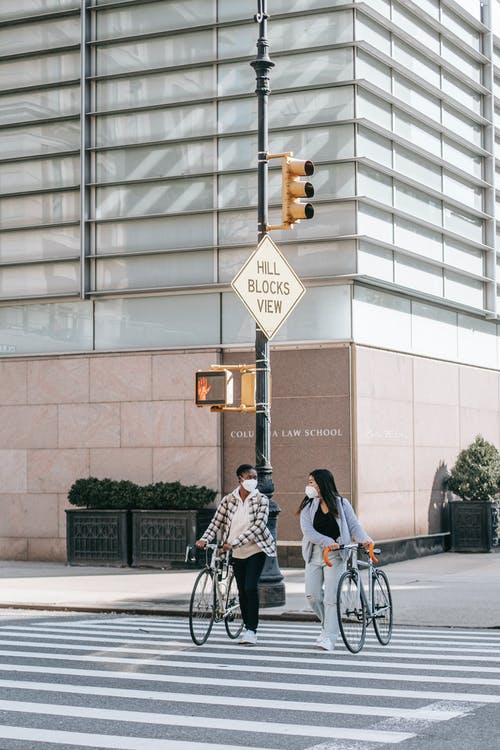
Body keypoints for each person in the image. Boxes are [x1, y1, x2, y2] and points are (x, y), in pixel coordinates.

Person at [196, 463, 276, 646]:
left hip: (256, 549)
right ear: (240, 478)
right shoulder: (228, 500)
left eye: (255, 478)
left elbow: (258, 527)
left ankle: (251, 630)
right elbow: (216, 522)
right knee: (241, 590)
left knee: (250, 587)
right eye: (249, 477)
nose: (253, 481)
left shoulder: (262, 500)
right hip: (235, 552)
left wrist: (233, 543)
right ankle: (246, 625)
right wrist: (204, 539)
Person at [298, 468, 372, 652]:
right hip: (314, 554)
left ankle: (330, 637)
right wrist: (327, 541)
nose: (309, 486)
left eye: (312, 482)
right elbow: (308, 531)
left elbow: (354, 525)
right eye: (309, 482)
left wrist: (365, 539)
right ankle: (328, 624)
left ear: (323, 484)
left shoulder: (341, 504)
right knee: (312, 596)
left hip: (336, 555)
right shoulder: (308, 506)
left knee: (331, 598)